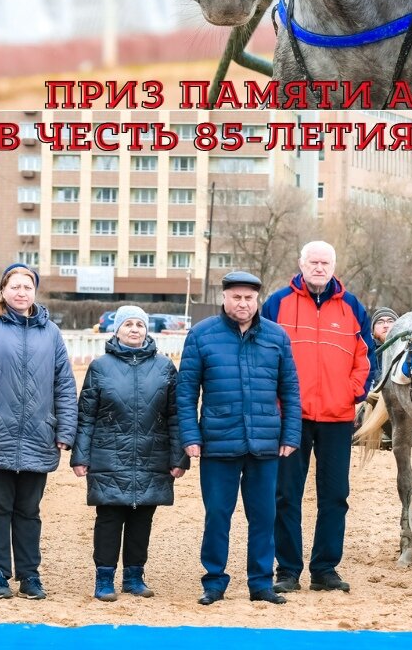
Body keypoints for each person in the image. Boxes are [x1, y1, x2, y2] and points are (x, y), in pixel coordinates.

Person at [0, 263, 77, 600]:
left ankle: (29, 575)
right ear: (3, 290)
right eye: (15, 286)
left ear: (35, 291)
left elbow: (64, 383)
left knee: (29, 511)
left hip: (39, 436)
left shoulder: (51, 332)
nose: (21, 293)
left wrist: (66, 428)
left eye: (27, 287)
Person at [176, 271, 301, 606]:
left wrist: (291, 434)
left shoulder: (276, 337)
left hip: (265, 444)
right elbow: (186, 393)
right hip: (218, 443)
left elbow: (289, 389)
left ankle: (260, 583)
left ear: (256, 300)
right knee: (218, 514)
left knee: (264, 515)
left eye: (249, 298)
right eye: (236, 297)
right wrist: (190, 436)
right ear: (224, 298)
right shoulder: (202, 336)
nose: (243, 303)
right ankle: (214, 582)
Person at [261, 241, 373, 594]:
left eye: (325, 262)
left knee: (335, 495)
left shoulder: (352, 307)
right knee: (285, 495)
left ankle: (325, 569)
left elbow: (366, 355)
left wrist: (352, 391)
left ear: (334, 266)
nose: (319, 267)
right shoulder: (277, 303)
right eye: (314, 261)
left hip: (337, 417)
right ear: (302, 264)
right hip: (290, 417)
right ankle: (288, 570)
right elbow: (261, 353)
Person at [71, 304, 190, 601]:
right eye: (128, 324)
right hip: (108, 454)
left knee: (142, 518)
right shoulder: (100, 367)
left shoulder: (164, 367)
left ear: (146, 330)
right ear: (117, 329)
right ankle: (104, 578)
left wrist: (178, 457)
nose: (134, 329)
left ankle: (135, 576)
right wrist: (80, 455)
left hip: (153, 454)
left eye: (139, 324)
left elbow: (176, 415)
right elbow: (86, 414)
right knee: (109, 517)